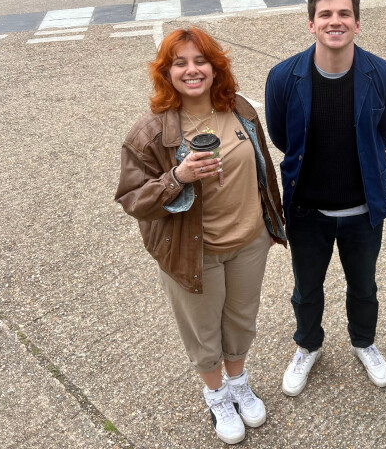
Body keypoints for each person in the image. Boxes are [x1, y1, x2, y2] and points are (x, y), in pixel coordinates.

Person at [115, 27, 286, 445]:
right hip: (194, 251)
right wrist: (178, 177)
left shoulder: (241, 110)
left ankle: (238, 382)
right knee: (203, 331)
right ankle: (216, 394)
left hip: (249, 242)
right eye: (180, 63)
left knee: (242, 321)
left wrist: (269, 224)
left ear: (215, 67)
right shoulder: (150, 132)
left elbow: (263, 169)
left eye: (200, 61)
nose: (192, 70)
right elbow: (132, 198)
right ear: (166, 73)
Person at [264, 0, 386, 396]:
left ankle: (364, 342)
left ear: (358, 23)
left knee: (365, 287)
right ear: (311, 24)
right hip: (307, 212)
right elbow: (283, 138)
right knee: (306, 289)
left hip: (363, 211)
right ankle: (308, 345)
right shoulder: (284, 77)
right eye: (325, 14)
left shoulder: (380, 75)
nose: (335, 21)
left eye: (344, 14)